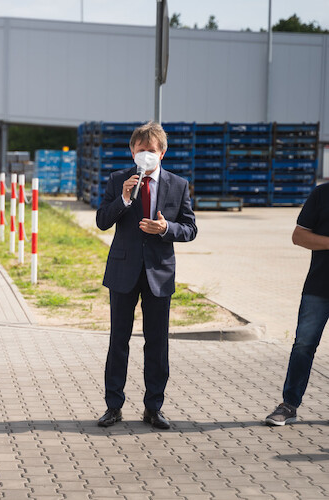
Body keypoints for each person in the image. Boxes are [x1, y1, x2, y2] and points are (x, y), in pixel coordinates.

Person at [95, 121, 197, 430]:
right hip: (123, 270)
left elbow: (190, 228)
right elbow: (101, 221)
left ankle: (153, 407)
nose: (146, 156)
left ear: (162, 153)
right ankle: (114, 406)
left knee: (157, 343)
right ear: (132, 152)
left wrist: (166, 228)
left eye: (151, 151)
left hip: (159, 273)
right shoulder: (118, 180)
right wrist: (123, 199)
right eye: (141, 151)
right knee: (118, 341)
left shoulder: (178, 185)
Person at [265, 182, 329, 426]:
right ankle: (289, 405)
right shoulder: (322, 194)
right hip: (320, 286)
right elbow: (299, 236)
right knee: (304, 345)